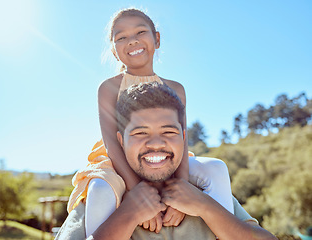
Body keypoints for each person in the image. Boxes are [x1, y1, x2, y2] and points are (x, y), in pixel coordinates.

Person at [67, 7, 233, 236]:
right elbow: (111, 143)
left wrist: (181, 190)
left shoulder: (175, 89)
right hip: (118, 159)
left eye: (140, 32)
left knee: (216, 168)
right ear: (115, 51)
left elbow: (181, 139)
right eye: (121, 37)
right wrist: (138, 192)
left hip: (165, 155)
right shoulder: (109, 88)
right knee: (99, 188)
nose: (132, 41)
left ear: (156, 38)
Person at [56, 82, 277, 240]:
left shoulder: (207, 192)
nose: (155, 143)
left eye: (168, 132)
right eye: (140, 133)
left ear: (183, 138)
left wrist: (205, 207)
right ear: (120, 142)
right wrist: (128, 215)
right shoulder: (101, 200)